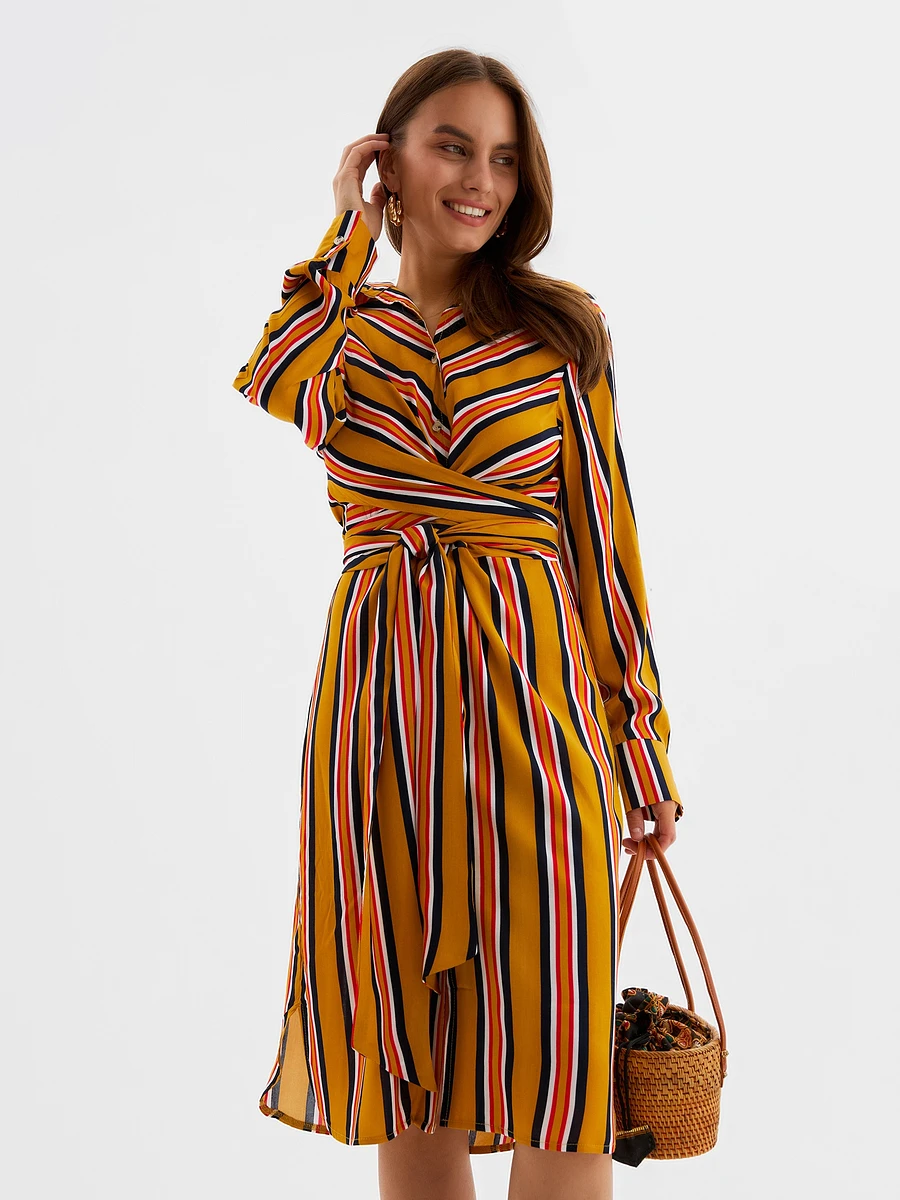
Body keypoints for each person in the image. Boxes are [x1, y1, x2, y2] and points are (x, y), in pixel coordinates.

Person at [232, 48, 683, 1200]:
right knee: (408, 1063)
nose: (480, 179)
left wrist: (640, 748)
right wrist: (347, 231)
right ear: (387, 159)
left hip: (540, 725)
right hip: (381, 724)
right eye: (451, 146)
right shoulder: (343, 332)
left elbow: (604, 555)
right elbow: (277, 379)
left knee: (563, 1068)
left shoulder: (561, 332)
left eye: (503, 157)